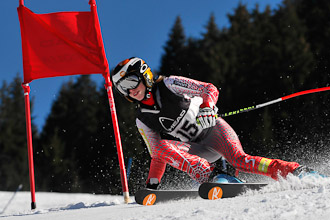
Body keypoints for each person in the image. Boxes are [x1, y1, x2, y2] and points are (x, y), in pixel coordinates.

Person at [111, 57, 312, 189]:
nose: (129, 91)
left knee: (241, 161)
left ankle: (295, 170)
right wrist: (152, 186)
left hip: (214, 131)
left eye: (131, 82)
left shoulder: (169, 84)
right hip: (197, 149)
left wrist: (207, 107)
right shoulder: (142, 119)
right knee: (161, 148)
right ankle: (215, 175)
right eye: (122, 88)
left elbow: (209, 88)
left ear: (144, 75)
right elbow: (157, 155)